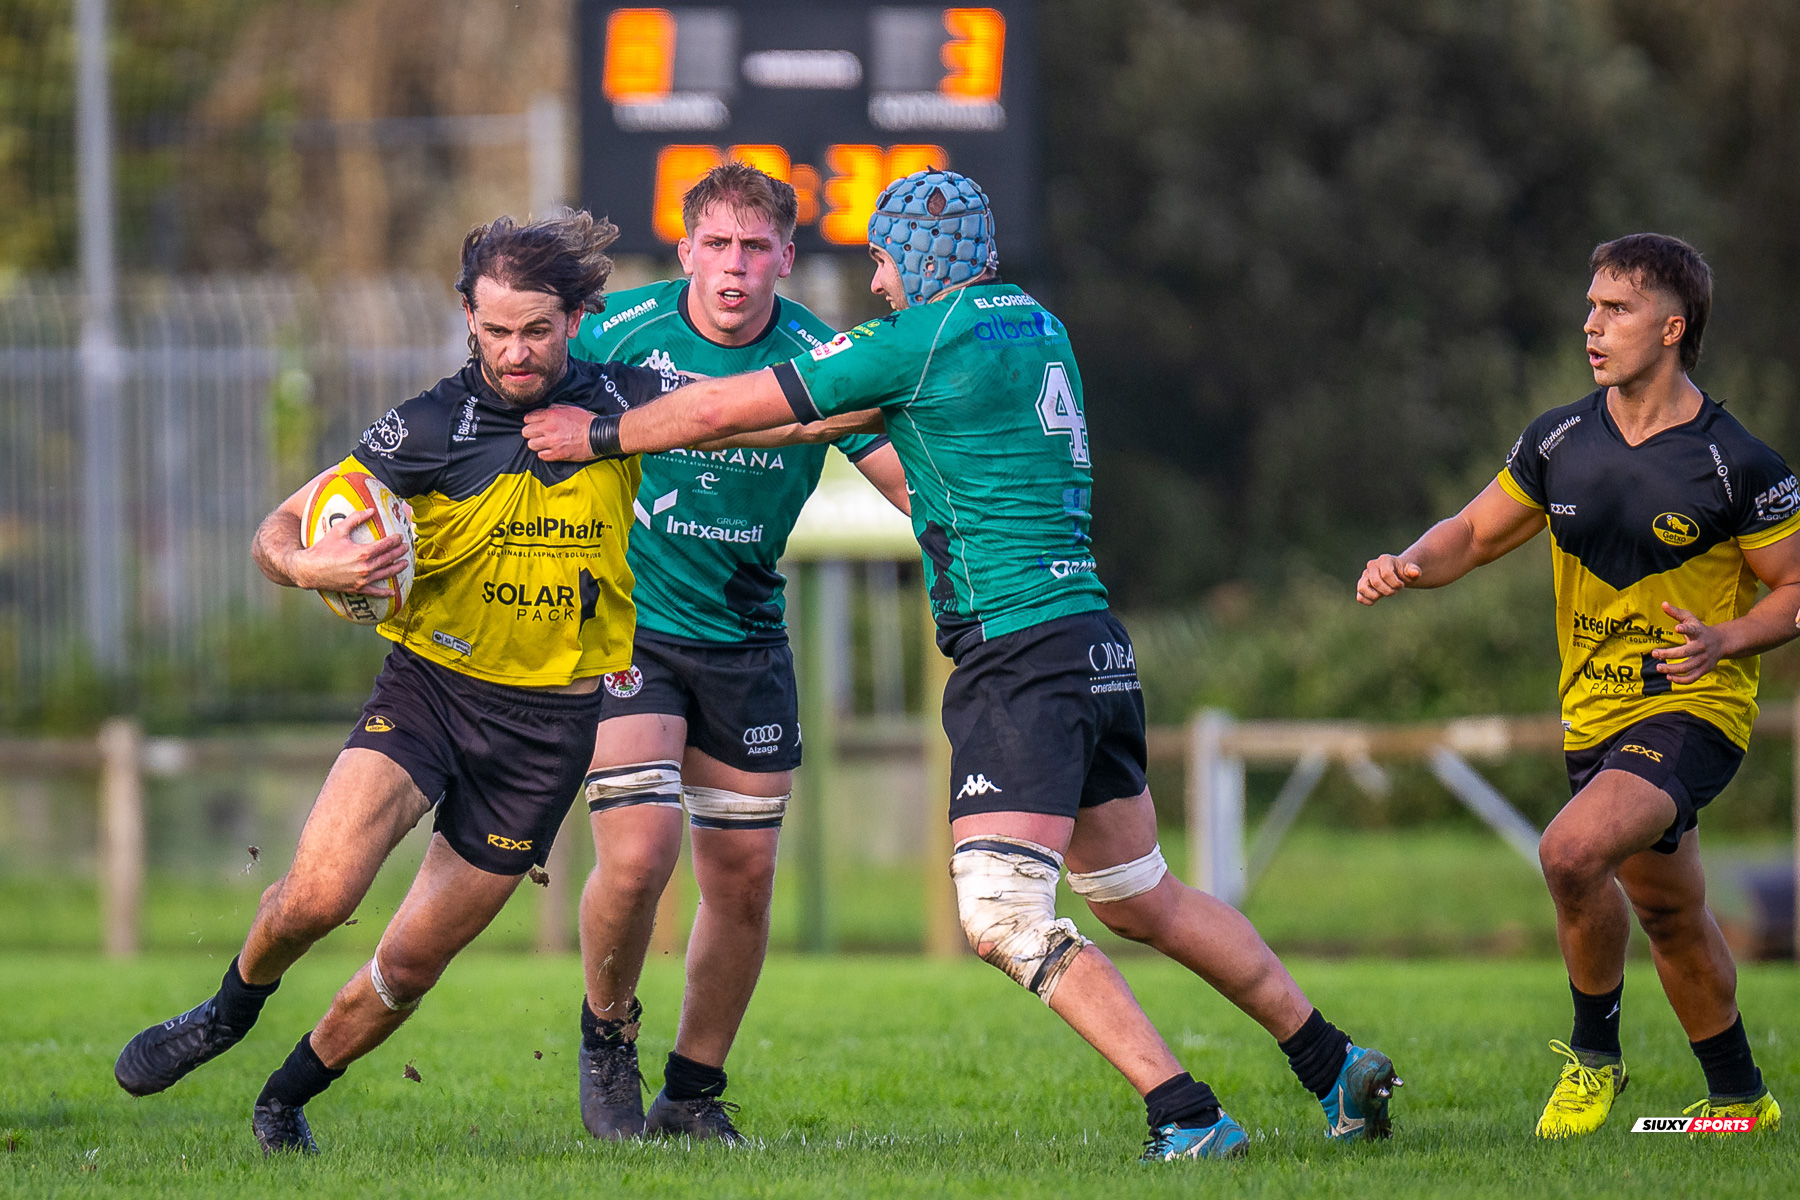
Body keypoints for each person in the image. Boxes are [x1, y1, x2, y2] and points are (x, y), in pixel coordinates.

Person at [526, 168, 1401, 1161]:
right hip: (1091, 641)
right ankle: (1334, 1063)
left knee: (1001, 913)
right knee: (1141, 895)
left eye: (887, 260)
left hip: (1016, 653)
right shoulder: (1033, 324)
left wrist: (597, 432)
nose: (880, 279)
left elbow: (727, 412)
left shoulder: (916, 340)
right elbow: (860, 428)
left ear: (920, 261)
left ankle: (1184, 1116)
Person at [113, 211, 673, 1154]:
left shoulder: (622, 407)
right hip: (430, 694)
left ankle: (283, 1100)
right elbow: (275, 531)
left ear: (578, 317)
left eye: (537, 330)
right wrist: (310, 569)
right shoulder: (426, 427)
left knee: (409, 965)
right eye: (495, 330)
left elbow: (763, 413)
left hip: (548, 732)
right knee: (321, 895)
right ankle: (225, 1013)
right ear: (466, 316)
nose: (515, 351)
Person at [1357, 233, 1794, 1138]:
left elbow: (1794, 588)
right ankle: (1742, 1102)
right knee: (1670, 914)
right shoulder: (1559, 437)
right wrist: (1407, 563)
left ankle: (1595, 1058)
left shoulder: (1735, 463)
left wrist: (1727, 640)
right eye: (1590, 306)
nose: (1591, 325)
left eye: (1616, 309)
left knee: (1568, 853)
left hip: (1692, 706)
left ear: (1672, 328)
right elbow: (1473, 534)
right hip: (1592, 716)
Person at [563, 162, 909, 1143]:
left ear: (786, 258)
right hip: (630, 625)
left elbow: (898, 478)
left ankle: (692, 1094)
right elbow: (513, 402)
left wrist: (979, 551)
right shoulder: (617, 336)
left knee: (744, 878)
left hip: (750, 634)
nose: (734, 267)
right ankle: (604, 1034)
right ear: (684, 252)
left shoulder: (820, 351)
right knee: (639, 856)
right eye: (716, 245)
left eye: (755, 249)